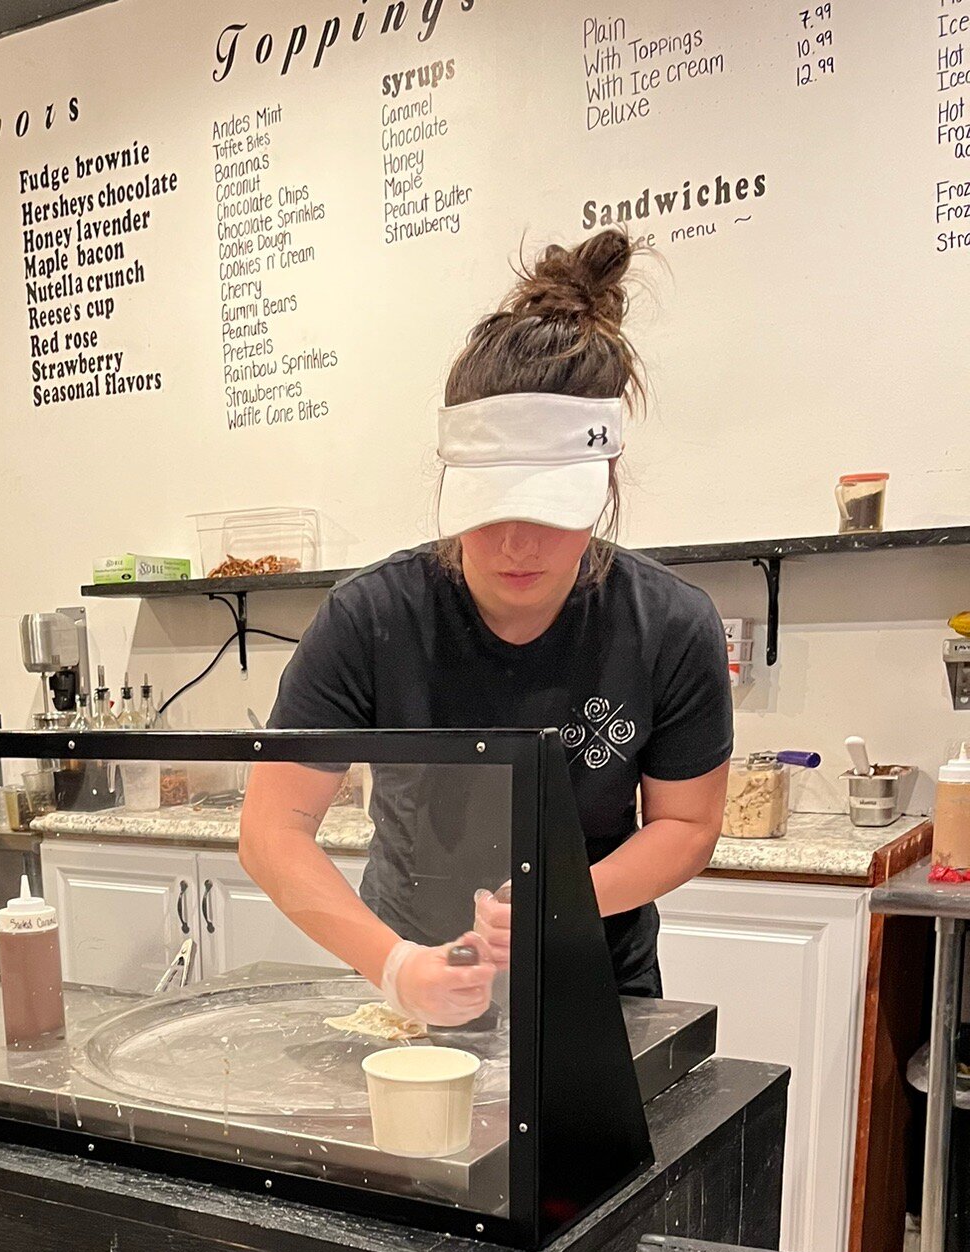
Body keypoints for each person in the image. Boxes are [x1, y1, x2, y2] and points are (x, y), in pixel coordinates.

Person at [238, 228, 733, 1027]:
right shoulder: (373, 618)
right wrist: (393, 965)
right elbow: (273, 830)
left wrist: (562, 900)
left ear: (605, 479)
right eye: (490, 508)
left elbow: (686, 824)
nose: (517, 545)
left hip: (595, 981)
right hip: (410, 972)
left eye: (550, 512)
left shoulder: (668, 625)